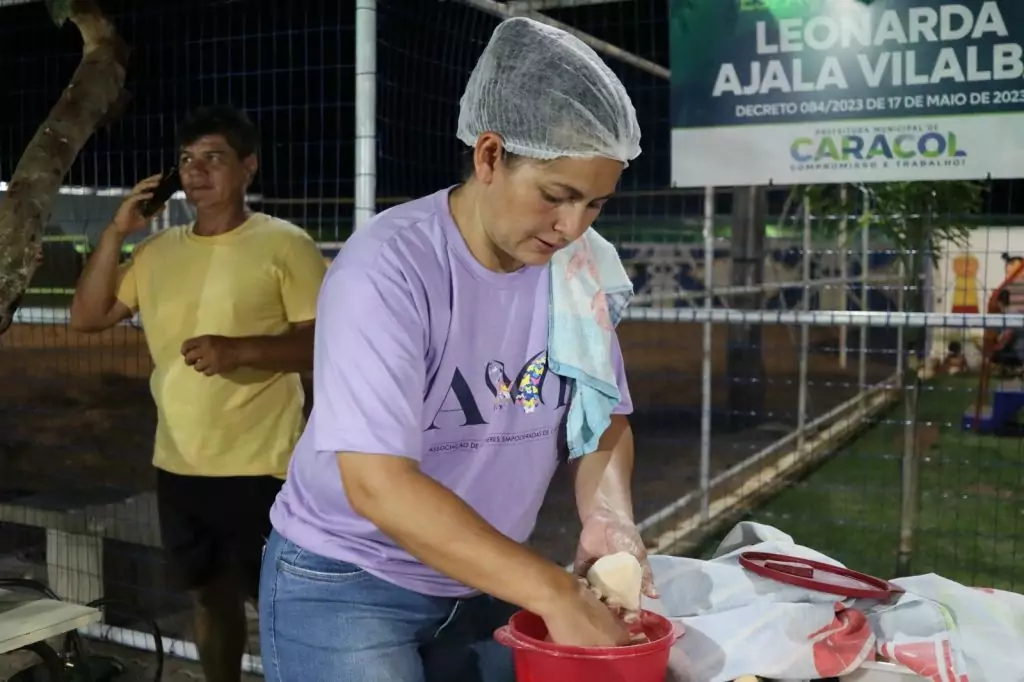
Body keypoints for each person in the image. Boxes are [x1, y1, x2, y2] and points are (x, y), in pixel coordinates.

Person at [259, 17, 652, 682]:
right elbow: (378, 484)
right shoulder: (388, 270)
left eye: (595, 204)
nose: (572, 227)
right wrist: (554, 592)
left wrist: (609, 519)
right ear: (489, 156)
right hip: (350, 581)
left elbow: (602, 414)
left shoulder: (576, 269)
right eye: (556, 197)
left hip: (486, 574)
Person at [69, 105, 328, 682]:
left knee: (279, 606)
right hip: (180, 464)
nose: (196, 171)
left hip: (263, 467)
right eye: (187, 160)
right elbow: (87, 317)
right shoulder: (157, 251)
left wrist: (241, 351)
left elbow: (327, 346)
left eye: (214, 157)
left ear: (248, 167)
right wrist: (116, 232)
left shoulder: (285, 245)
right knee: (209, 598)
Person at [991, 289, 1024, 375]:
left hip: (1019, 348)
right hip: (1015, 346)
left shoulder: (1010, 314)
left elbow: (1007, 335)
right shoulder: (1009, 313)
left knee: (996, 354)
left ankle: (1013, 368)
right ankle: (1010, 369)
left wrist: (995, 346)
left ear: (999, 302)